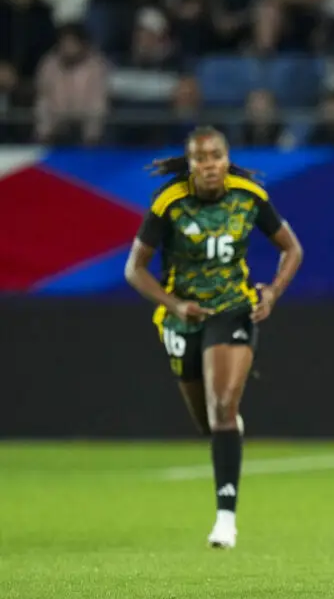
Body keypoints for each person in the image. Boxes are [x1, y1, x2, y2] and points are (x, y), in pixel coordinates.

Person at [124, 126, 303, 549]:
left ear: (226, 159)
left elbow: (291, 248)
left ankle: (226, 521)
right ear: (189, 165)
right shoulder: (169, 202)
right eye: (200, 158)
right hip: (184, 318)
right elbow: (135, 269)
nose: (209, 165)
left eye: (216, 156)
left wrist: (273, 291)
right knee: (210, 422)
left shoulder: (249, 196)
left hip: (232, 308)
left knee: (223, 404)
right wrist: (173, 304)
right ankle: (228, 429)